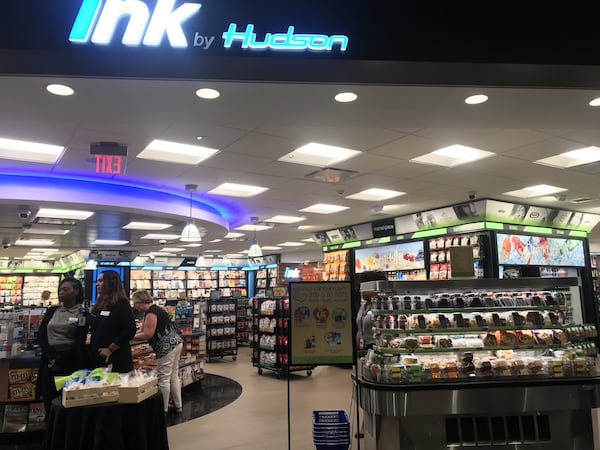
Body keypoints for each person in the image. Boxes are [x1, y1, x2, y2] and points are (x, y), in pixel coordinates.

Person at [36, 277, 88, 417]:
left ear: (76, 291)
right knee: (50, 403)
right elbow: (41, 336)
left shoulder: (83, 314)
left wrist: (61, 360)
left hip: (70, 364)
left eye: (66, 289)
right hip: (49, 361)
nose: (61, 293)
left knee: (69, 404)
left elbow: (80, 342)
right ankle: (50, 435)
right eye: (60, 290)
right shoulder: (52, 311)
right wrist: (52, 357)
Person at [131, 290, 183, 414]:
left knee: (163, 378)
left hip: (166, 347)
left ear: (141, 302)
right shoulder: (155, 310)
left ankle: (162, 409)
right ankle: (178, 406)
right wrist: (132, 334)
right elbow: (143, 330)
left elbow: (147, 334)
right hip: (176, 343)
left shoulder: (151, 313)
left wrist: (129, 336)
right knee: (173, 376)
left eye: (135, 303)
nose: (134, 306)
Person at [88, 270, 136, 373]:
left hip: (116, 358)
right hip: (98, 356)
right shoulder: (99, 304)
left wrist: (110, 349)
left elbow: (129, 330)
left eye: (101, 281)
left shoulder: (121, 303)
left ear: (111, 282)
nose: (97, 284)